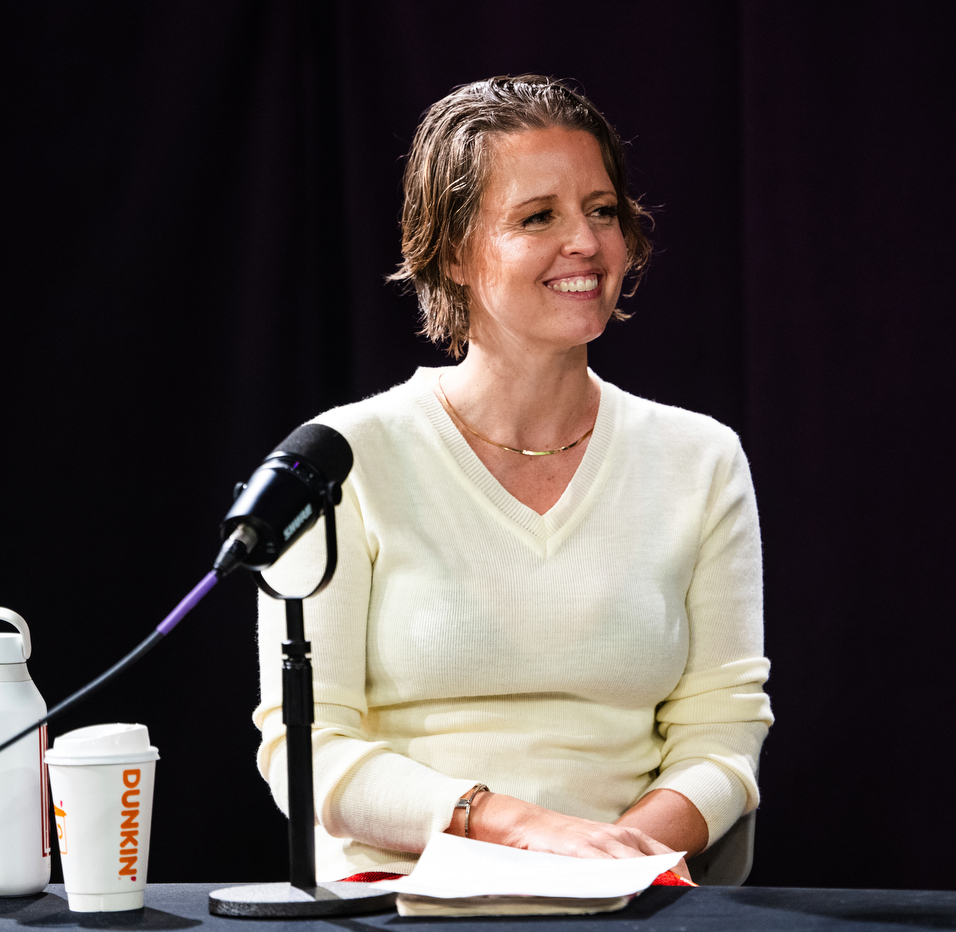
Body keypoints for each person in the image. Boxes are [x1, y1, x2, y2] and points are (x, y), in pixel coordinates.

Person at [253, 75, 772, 883]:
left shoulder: (699, 458)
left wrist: (612, 862)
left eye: (603, 211)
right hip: (405, 894)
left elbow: (724, 735)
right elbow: (306, 748)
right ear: (452, 254)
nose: (588, 243)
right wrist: (520, 831)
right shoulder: (341, 458)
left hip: (632, 897)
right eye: (539, 217)